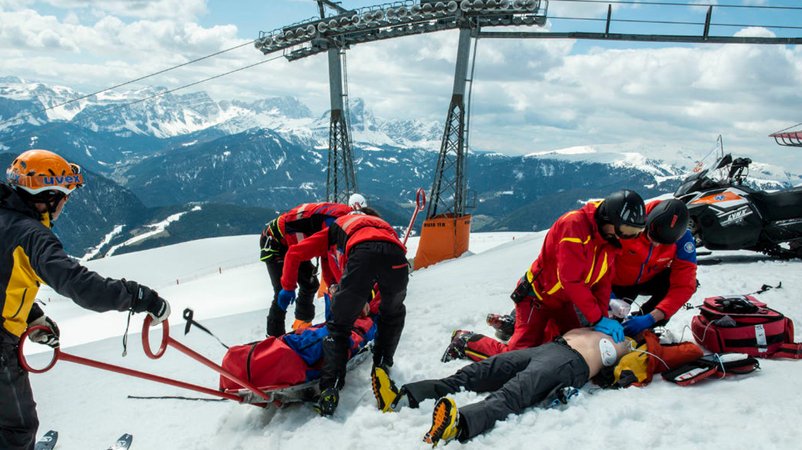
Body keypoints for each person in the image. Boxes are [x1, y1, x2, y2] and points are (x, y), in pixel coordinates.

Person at [1, 149, 170, 450]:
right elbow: (79, 285)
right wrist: (138, 296)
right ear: (47, 196)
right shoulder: (33, 236)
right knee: (17, 427)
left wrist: (31, 316)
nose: (66, 202)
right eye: (65, 195)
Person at [441, 190, 646, 362]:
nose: (627, 237)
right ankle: (465, 341)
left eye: (634, 232)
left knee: (572, 347)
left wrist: (599, 320)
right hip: (536, 298)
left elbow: (602, 283)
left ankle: (516, 328)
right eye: (626, 230)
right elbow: (570, 279)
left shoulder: (609, 241)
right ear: (609, 218)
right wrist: (598, 318)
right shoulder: (574, 226)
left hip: (562, 302)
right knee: (517, 358)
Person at [372, 328, 634, 446]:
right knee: (475, 373)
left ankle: (459, 424)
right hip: (547, 348)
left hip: (571, 364)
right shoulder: (593, 319)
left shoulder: (625, 341)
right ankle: (403, 397)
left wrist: (629, 338)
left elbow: (632, 362)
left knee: (513, 394)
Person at [486, 198, 696, 341]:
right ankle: (515, 323)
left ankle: (643, 324)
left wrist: (652, 317)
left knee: (681, 284)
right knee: (576, 319)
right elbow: (595, 259)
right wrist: (609, 299)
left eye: (662, 244)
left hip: (644, 279)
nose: (655, 245)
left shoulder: (682, 240)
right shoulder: (628, 223)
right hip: (611, 281)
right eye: (650, 238)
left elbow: (683, 284)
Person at [279, 207, 408, 416]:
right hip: (397, 257)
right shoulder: (383, 226)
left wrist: (287, 287)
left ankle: (330, 389)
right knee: (393, 315)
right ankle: (382, 366)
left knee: (339, 327)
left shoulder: (337, 226)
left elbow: (294, 253)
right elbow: (382, 263)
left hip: (361, 253)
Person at [260, 197, 359, 336]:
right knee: (281, 290)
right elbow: (301, 254)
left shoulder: (345, 221)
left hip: (294, 237)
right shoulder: (336, 225)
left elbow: (327, 256)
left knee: (310, 284)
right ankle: (274, 335)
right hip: (275, 241)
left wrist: (333, 285)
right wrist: (289, 286)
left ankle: (302, 323)